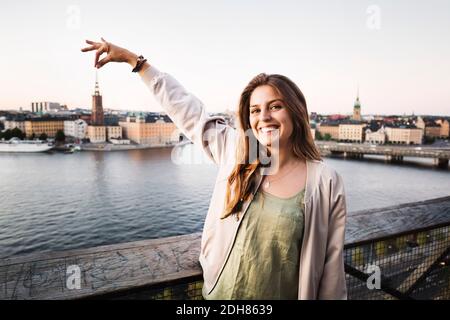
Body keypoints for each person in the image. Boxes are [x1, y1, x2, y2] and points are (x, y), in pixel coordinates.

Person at [81, 38, 348, 300]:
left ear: (296, 111)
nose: (264, 117)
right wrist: (135, 61)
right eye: (255, 110)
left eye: (275, 106)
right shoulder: (239, 150)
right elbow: (188, 110)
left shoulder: (324, 182)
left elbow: (331, 270)